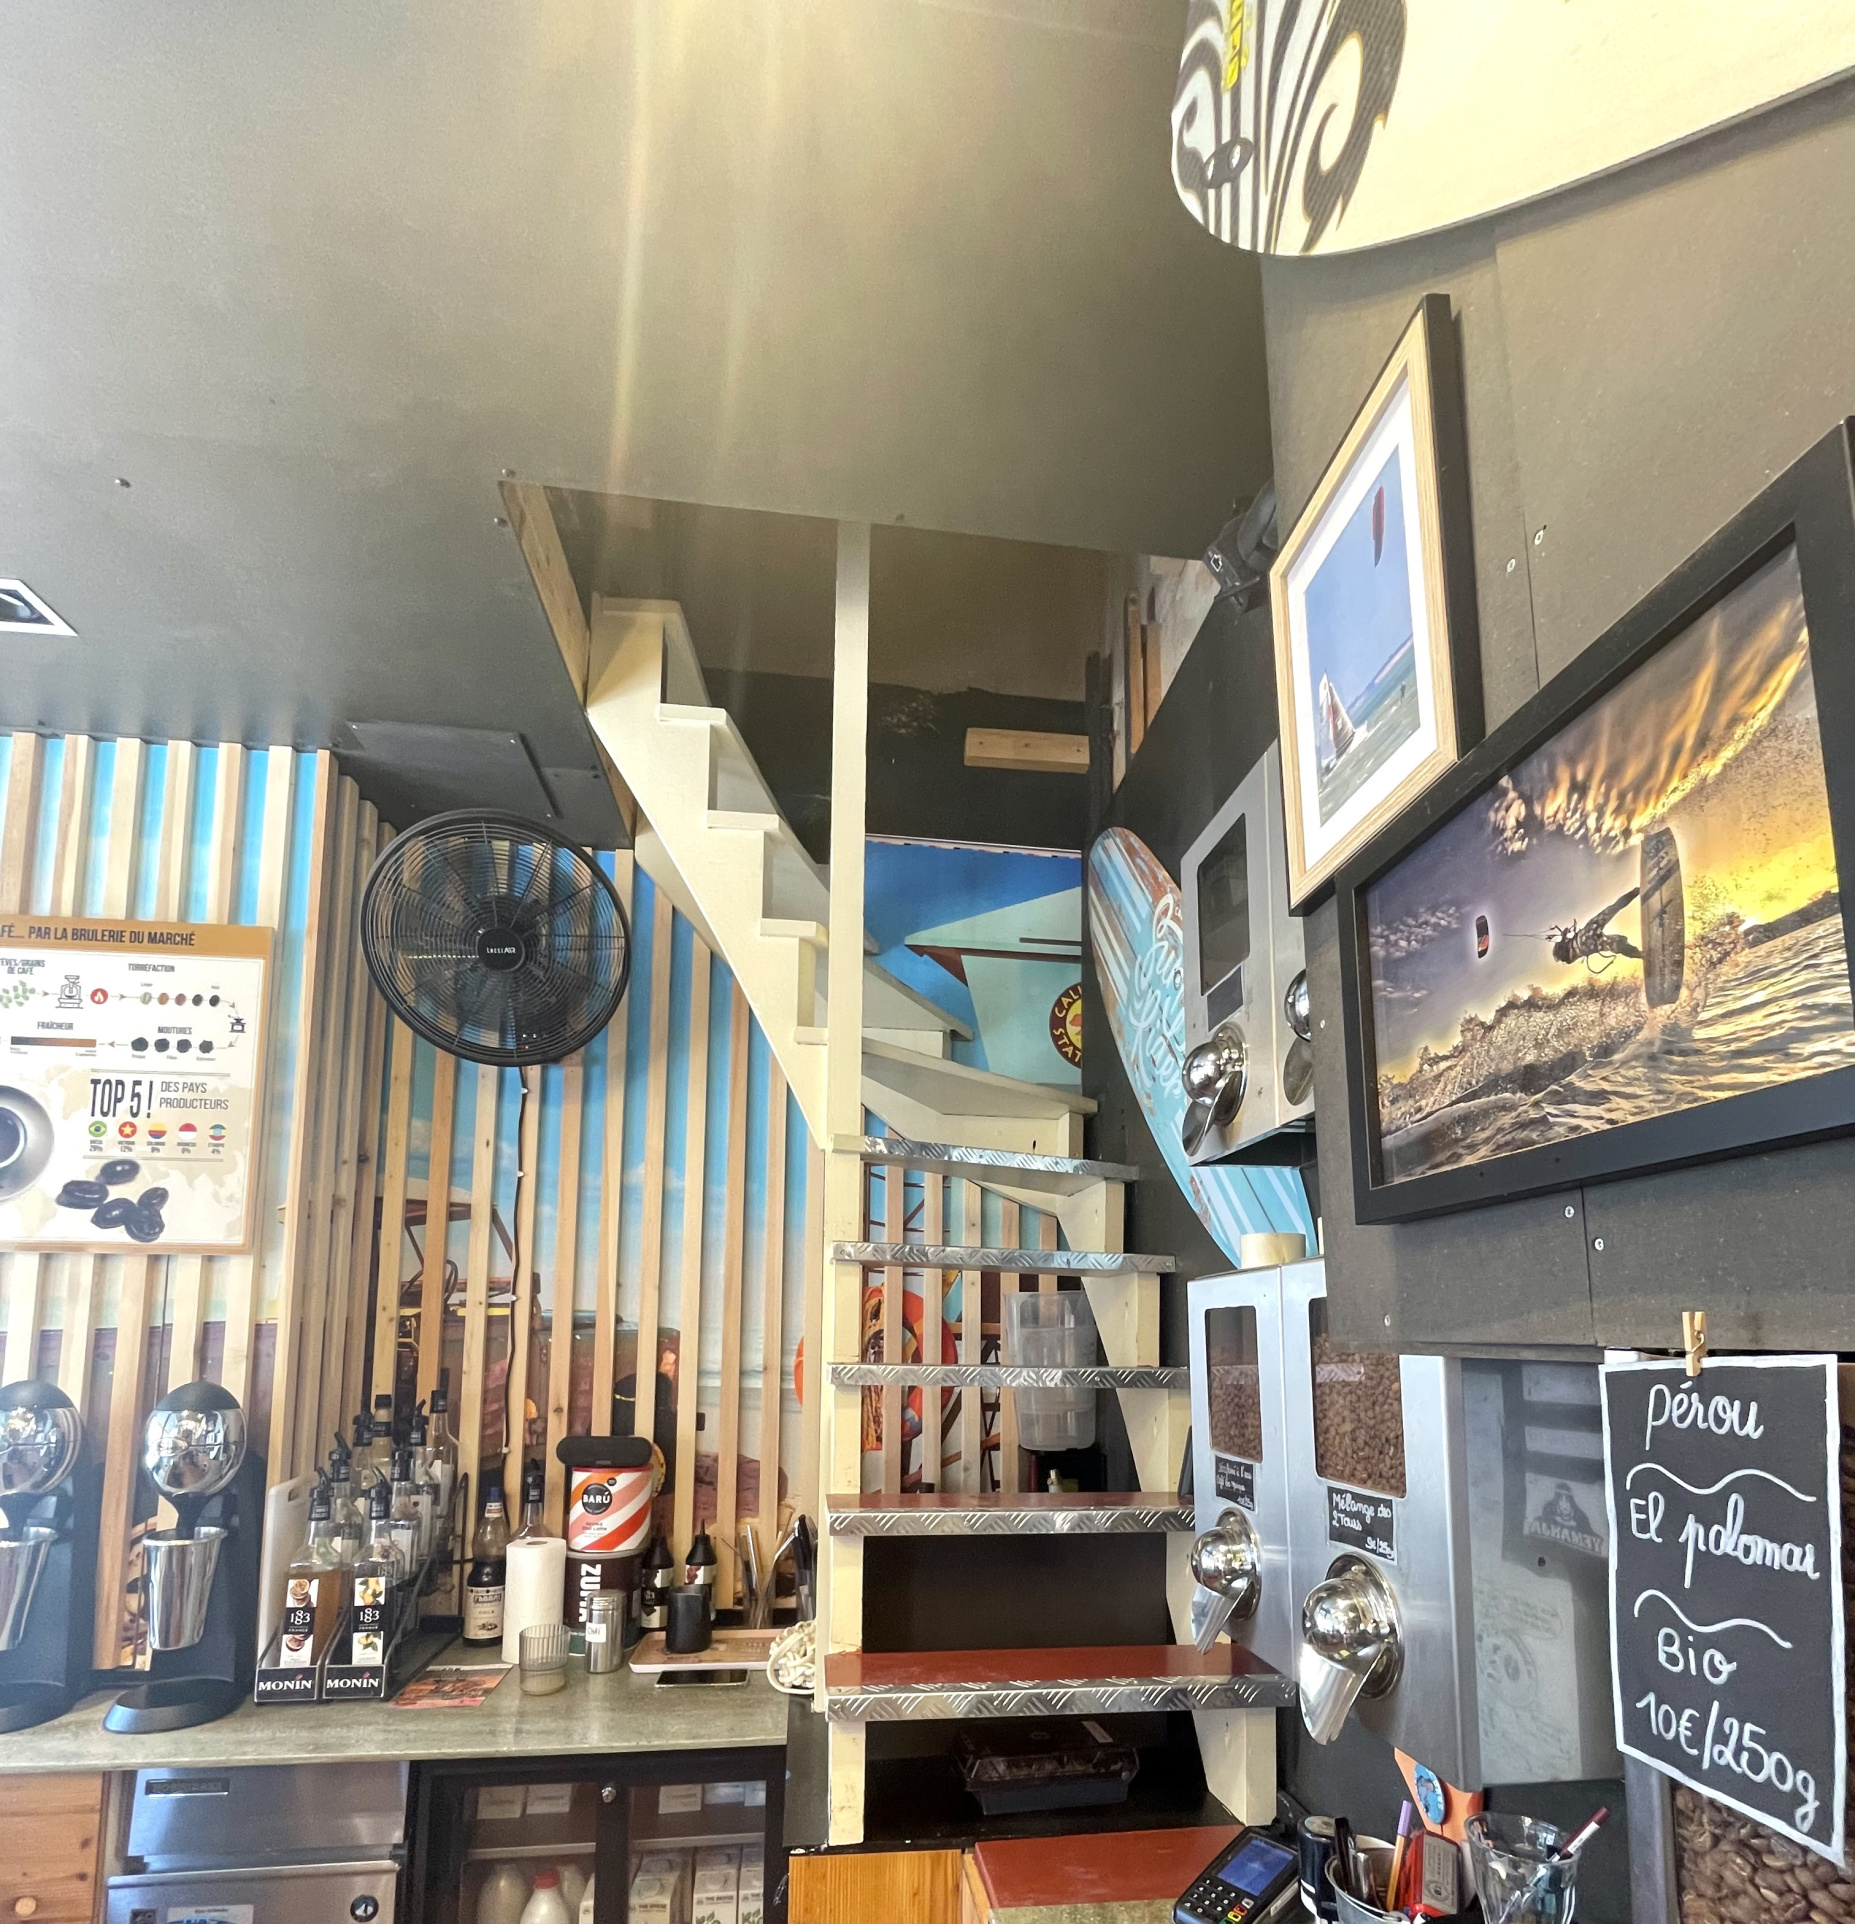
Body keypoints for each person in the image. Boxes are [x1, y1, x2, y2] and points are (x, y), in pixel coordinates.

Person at [1551, 887, 1643, 968]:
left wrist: (1564, 935)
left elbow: (1569, 951)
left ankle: (1640, 954)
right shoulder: (1566, 950)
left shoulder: (1568, 959)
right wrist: (1564, 934)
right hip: (1587, 932)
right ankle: (1635, 892)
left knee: (1615, 944)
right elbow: (1565, 937)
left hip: (1590, 945)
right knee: (1611, 910)